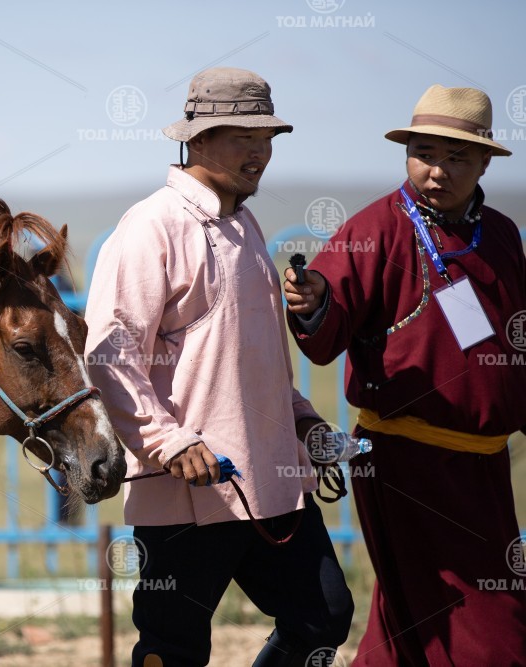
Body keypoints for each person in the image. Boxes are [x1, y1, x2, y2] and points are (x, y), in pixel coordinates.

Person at [84, 67, 353, 667]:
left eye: (267, 139)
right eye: (243, 138)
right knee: (173, 650)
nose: (260, 153)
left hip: (271, 479)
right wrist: (167, 441)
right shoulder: (152, 224)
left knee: (323, 617)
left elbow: (256, 361)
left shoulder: (244, 224)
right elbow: (109, 351)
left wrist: (303, 420)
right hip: (187, 488)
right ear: (199, 140)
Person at [284, 84, 526, 666]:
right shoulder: (377, 229)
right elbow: (329, 319)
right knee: (490, 631)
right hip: (409, 463)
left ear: (485, 162)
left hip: (485, 465)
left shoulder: (500, 235)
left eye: (457, 157)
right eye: (424, 154)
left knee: (412, 626)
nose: (437, 171)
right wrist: (314, 302)